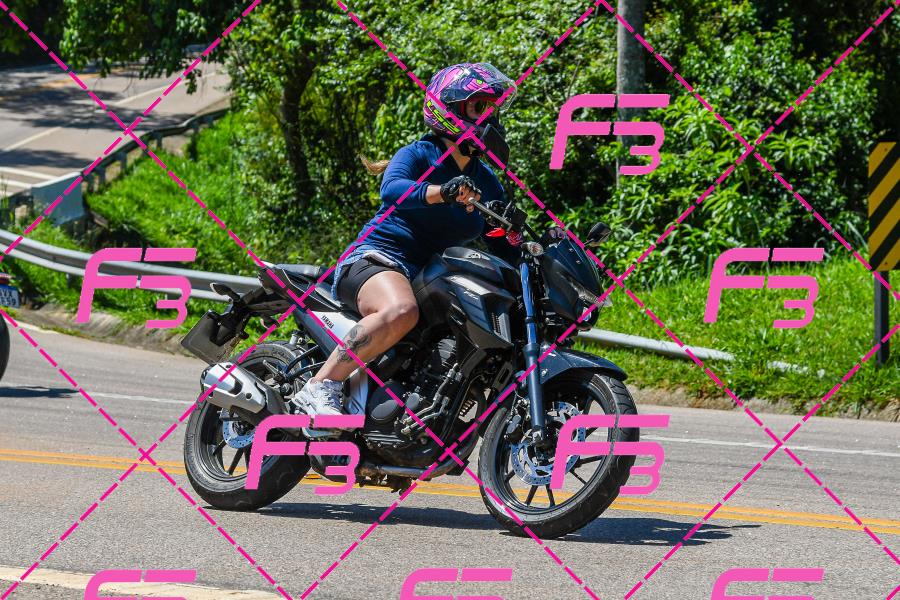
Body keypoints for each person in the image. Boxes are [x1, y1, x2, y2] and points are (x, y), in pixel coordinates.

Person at [294, 62, 522, 418]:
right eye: (479, 107)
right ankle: (320, 385)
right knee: (402, 310)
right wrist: (443, 191)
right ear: (450, 109)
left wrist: (531, 247)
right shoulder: (419, 154)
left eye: (493, 109)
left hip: (429, 279)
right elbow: (393, 189)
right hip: (377, 260)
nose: (490, 118)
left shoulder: (486, 181)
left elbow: (503, 242)